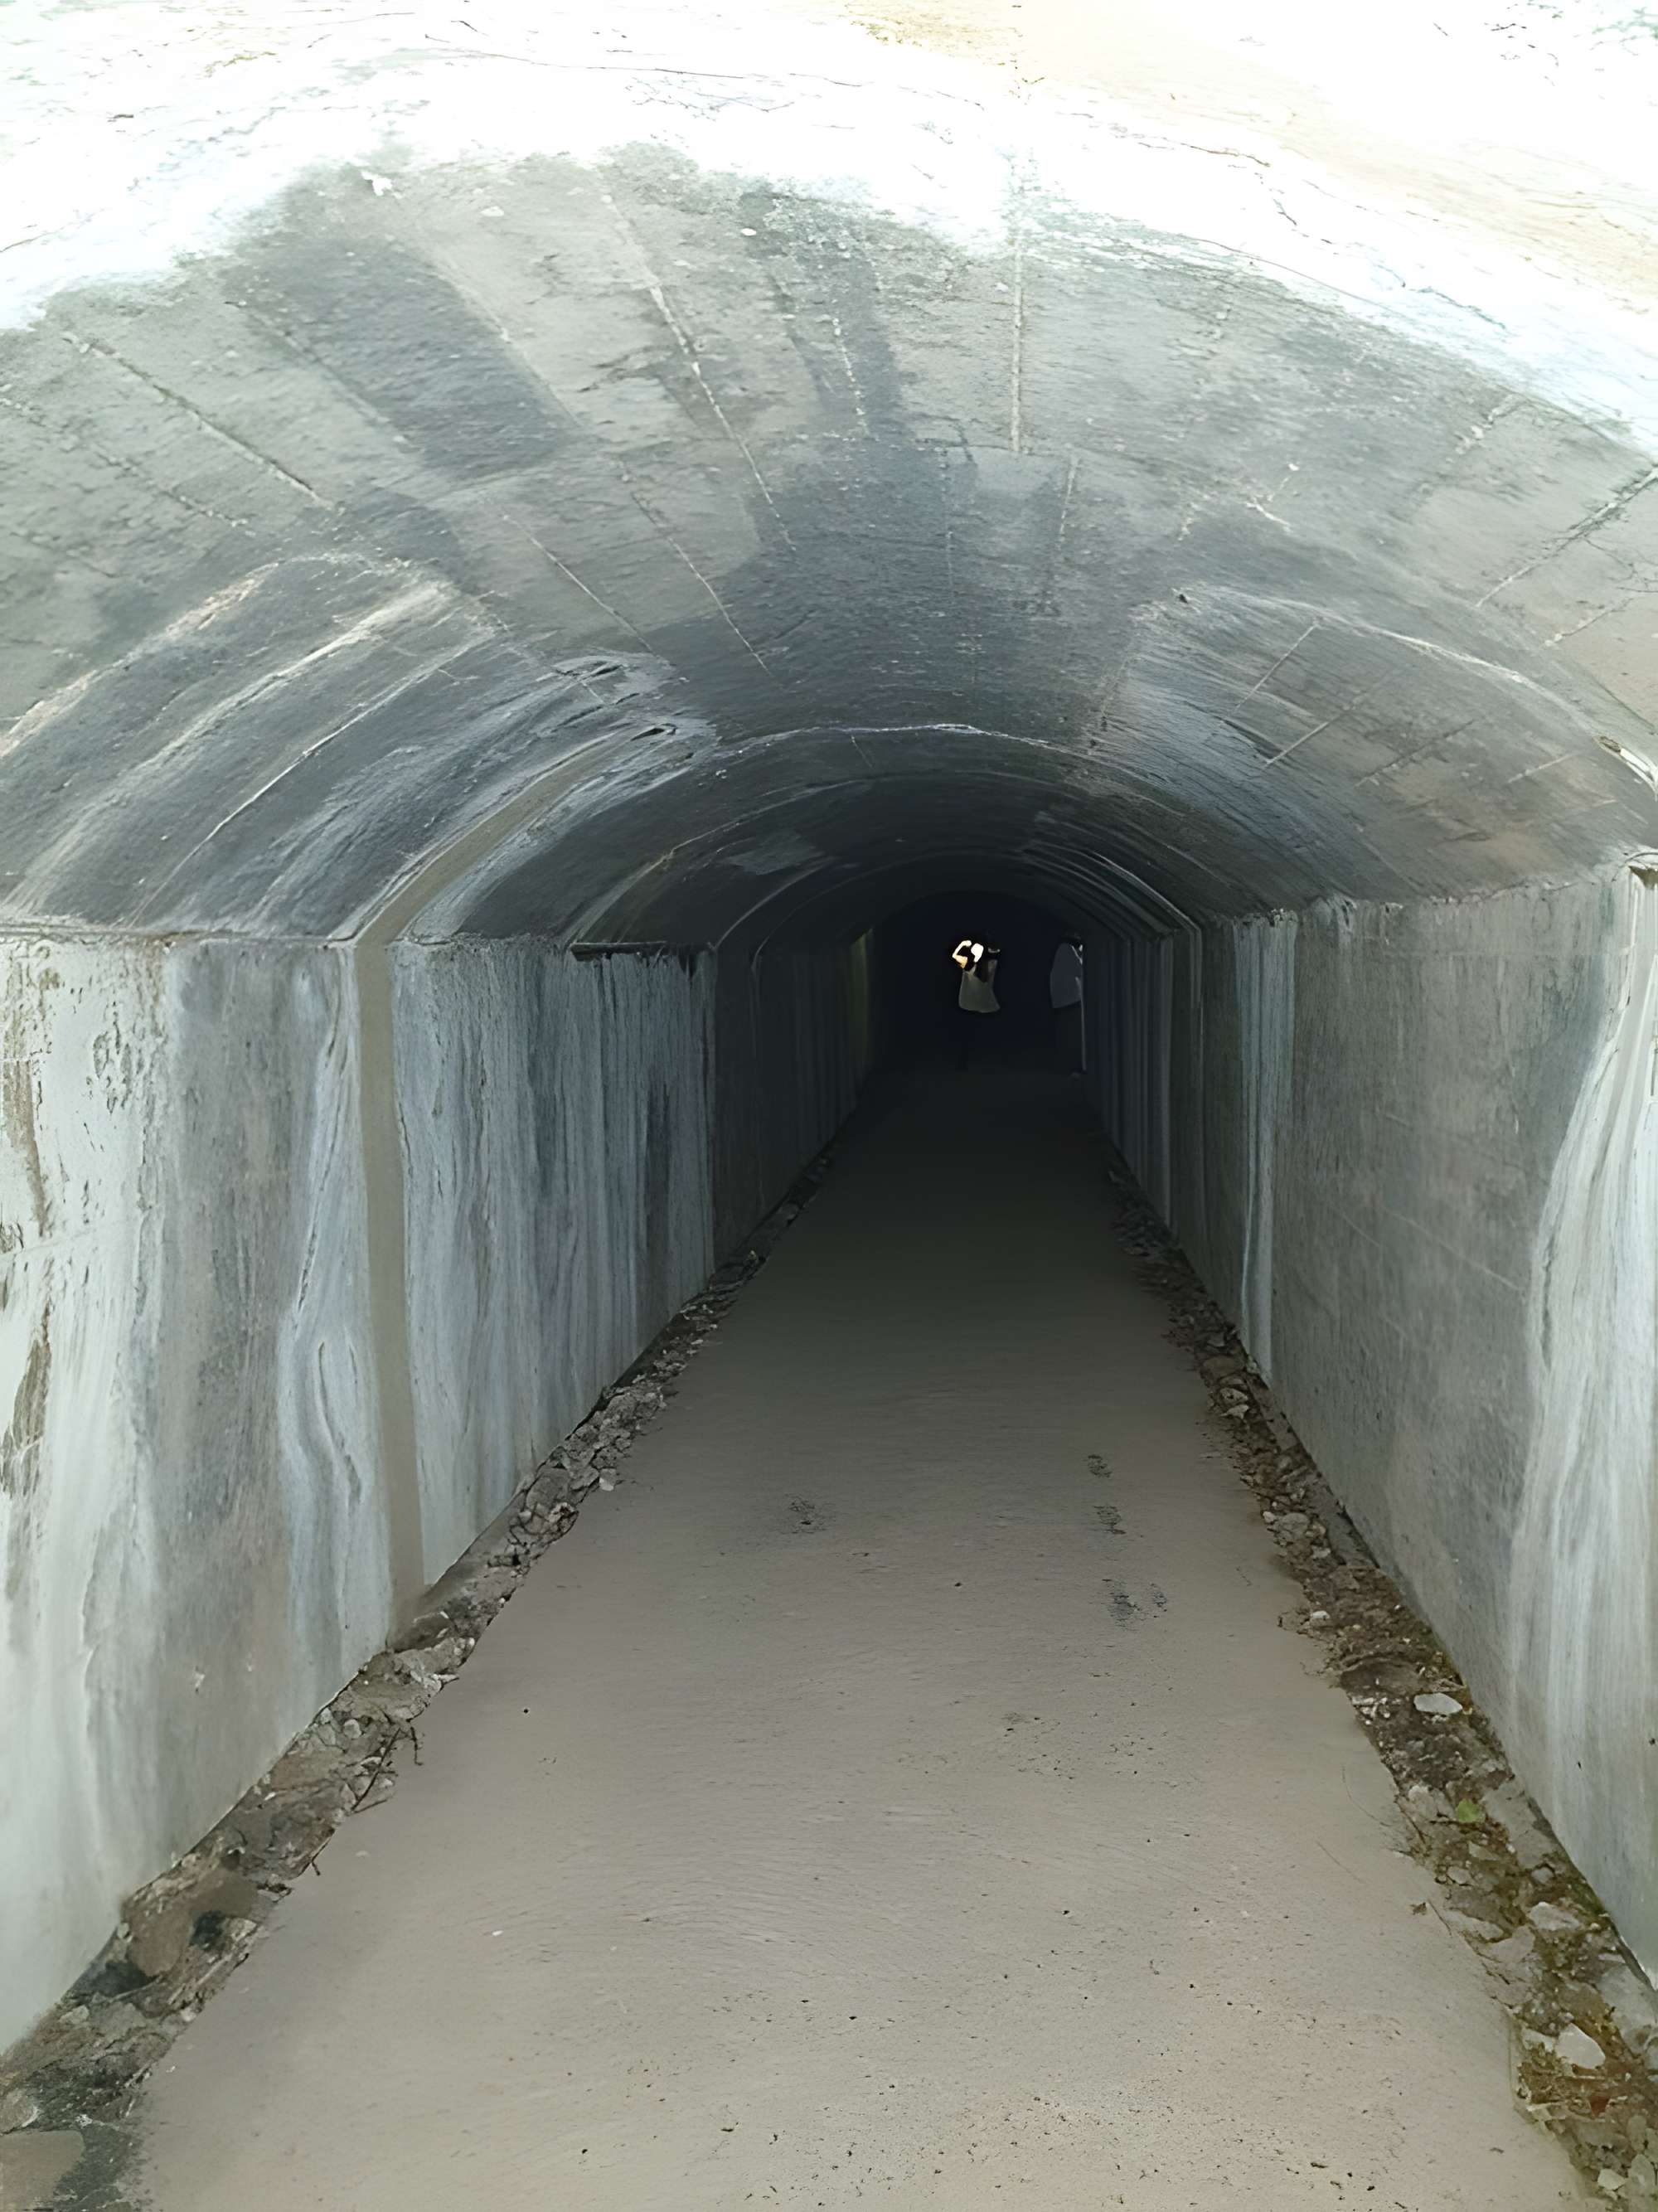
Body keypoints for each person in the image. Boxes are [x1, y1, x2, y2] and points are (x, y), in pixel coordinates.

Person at [951, 938, 1000, 1066]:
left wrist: (962, 944)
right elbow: (996, 952)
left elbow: (954, 955)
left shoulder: (967, 963)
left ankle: (964, 1062)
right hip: (985, 1004)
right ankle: (986, 1060)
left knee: (967, 1034)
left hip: (968, 1004)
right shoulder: (991, 964)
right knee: (984, 1034)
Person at [1049, 938, 1084, 1070]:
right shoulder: (1068, 949)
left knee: (1064, 1033)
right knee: (1072, 1035)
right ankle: (1071, 1066)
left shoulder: (1062, 949)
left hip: (1061, 1000)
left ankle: (1065, 1065)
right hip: (1070, 999)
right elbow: (1079, 970)